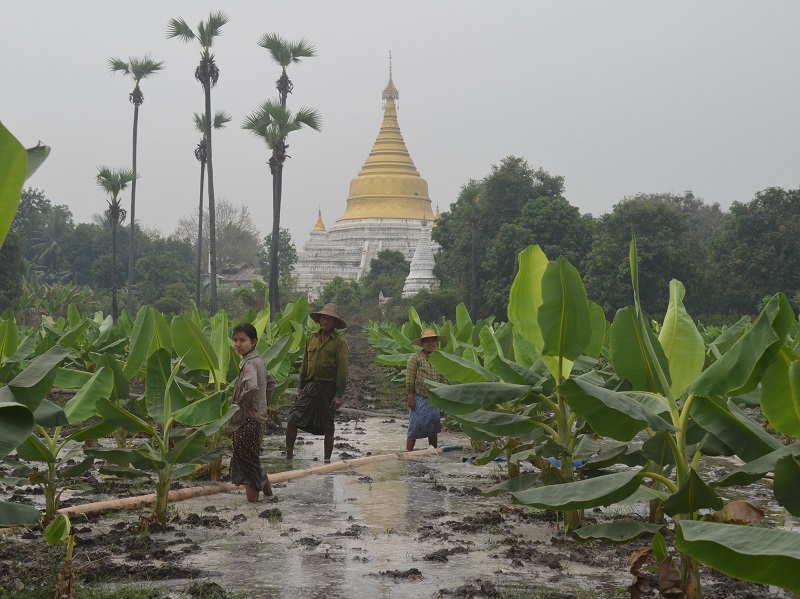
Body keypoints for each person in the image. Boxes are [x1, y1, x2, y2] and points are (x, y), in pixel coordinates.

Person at [285, 303, 349, 462]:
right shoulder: (311, 338)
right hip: (309, 386)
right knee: (292, 420)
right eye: (323, 318)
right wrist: (300, 387)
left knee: (328, 426)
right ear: (320, 319)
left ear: (334, 323)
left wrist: (339, 395)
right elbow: (305, 364)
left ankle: (327, 461)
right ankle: (289, 457)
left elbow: (342, 370)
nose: (325, 322)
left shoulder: (340, 342)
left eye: (329, 319)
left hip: (328, 388)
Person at [227, 323, 276, 503]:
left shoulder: (249, 364)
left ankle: (253, 510)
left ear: (254, 342)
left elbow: (252, 385)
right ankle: (269, 499)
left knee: (248, 466)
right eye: (235, 340)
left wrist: (247, 403)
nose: (238, 344)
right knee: (253, 461)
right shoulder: (258, 361)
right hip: (257, 420)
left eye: (243, 340)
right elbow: (271, 382)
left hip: (247, 421)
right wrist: (263, 402)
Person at [405, 328, 447, 451]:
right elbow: (410, 378)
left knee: (433, 427)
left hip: (434, 397)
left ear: (436, 343)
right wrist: (410, 396)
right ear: (422, 344)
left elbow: (443, 377)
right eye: (427, 341)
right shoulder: (416, 358)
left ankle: (433, 451)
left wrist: (444, 395)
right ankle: (409, 452)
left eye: (433, 341)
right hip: (419, 396)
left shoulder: (440, 358)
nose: (431, 343)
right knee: (415, 426)